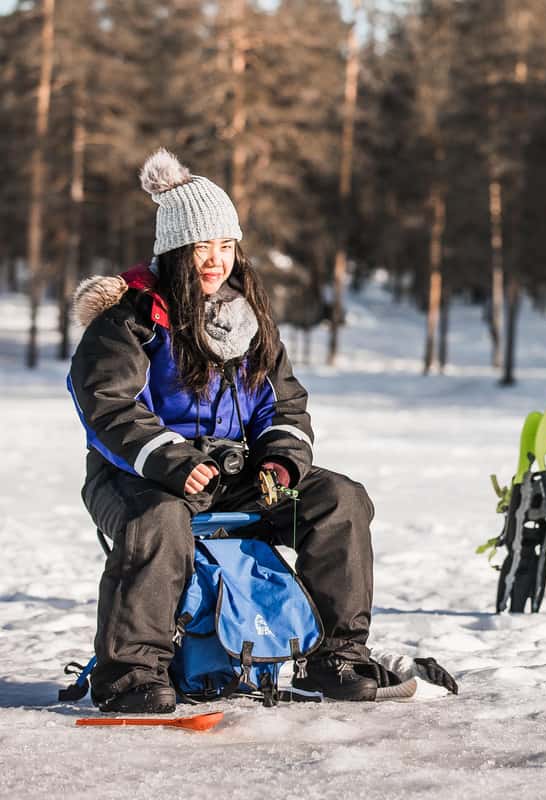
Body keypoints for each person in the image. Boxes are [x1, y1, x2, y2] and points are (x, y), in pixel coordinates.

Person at [68, 149, 382, 713]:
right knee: (158, 522)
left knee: (340, 499)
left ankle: (335, 656)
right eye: (200, 246)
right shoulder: (131, 320)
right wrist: (175, 463)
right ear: (174, 248)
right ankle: (131, 674)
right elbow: (108, 407)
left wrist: (281, 462)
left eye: (225, 245)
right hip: (137, 476)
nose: (214, 260)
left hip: (234, 474)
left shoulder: (249, 317)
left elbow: (284, 403)